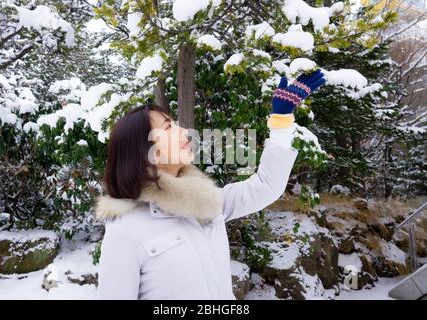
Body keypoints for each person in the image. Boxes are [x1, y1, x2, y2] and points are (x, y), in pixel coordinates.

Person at [95, 70, 326, 299]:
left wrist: (281, 122)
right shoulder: (125, 230)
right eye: (168, 127)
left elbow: (266, 186)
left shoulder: (205, 202)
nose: (184, 131)